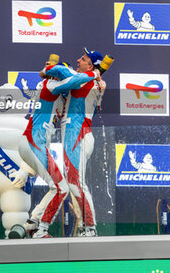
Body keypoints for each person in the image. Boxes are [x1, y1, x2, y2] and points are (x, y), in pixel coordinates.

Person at [11, 61, 101, 238]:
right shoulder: (50, 85)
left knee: (59, 187)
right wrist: (94, 74)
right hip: (33, 142)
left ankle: (33, 222)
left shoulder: (61, 96)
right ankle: (41, 229)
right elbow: (73, 82)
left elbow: (83, 98)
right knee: (61, 187)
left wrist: (98, 86)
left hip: (36, 145)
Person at [44, 48, 106, 236]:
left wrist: (49, 69)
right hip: (73, 133)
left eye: (83, 59)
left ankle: (90, 226)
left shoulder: (89, 82)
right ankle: (86, 227)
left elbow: (63, 72)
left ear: (91, 66)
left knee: (77, 183)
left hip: (78, 132)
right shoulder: (88, 80)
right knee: (73, 183)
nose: (78, 60)